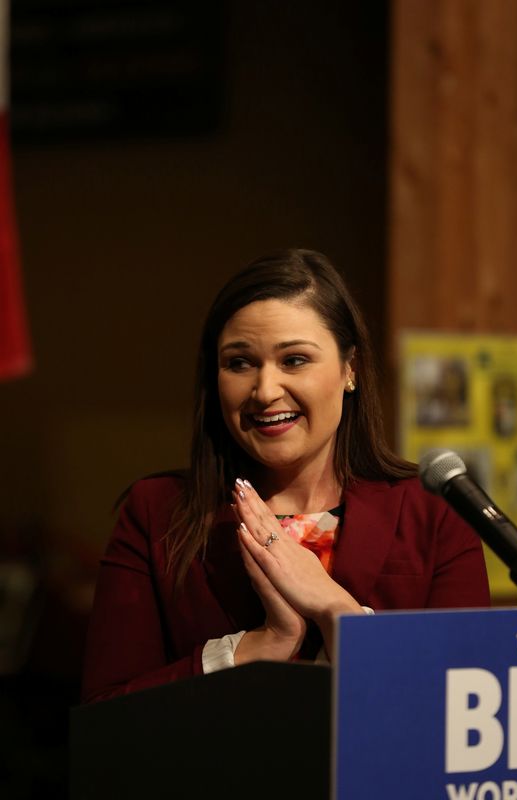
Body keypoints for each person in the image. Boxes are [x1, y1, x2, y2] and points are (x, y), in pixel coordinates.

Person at [81, 249, 490, 704]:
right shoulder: (156, 512)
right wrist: (257, 647)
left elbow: (466, 709)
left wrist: (338, 613)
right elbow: (106, 717)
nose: (265, 390)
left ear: (349, 369)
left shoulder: (432, 509)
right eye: (239, 363)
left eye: (294, 360)